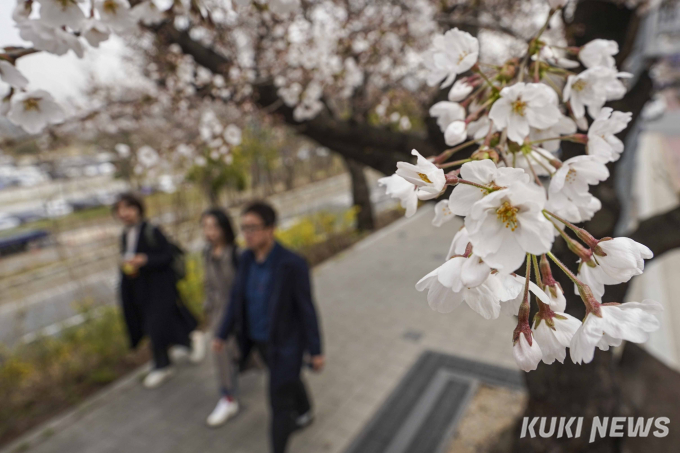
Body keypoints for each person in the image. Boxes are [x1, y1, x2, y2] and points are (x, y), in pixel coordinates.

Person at [213, 201, 324, 453]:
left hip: (286, 345)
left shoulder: (292, 264)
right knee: (288, 379)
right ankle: (306, 411)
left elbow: (307, 309)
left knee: (278, 402)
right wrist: (222, 333)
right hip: (259, 341)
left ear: (271, 229)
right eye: (244, 228)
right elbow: (236, 299)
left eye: (253, 227)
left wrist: (316, 350)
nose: (247, 234)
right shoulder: (245, 260)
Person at [114, 192, 204, 389]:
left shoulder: (151, 231)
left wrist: (144, 260)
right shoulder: (125, 235)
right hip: (141, 291)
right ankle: (191, 339)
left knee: (155, 326)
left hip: (160, 289)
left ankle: (162, 365)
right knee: (165, 321)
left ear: (138, 209)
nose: (124, 213)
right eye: (120, 209)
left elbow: (167, 256)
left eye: (128, 208)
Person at [201, 208, 241, 427]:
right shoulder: (206, 253)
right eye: (206, 227)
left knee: (245, 353)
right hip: (217, 314)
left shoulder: (236, 254)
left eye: (214, 226)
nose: (210, 232)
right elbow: (208, 284)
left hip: (236, 314)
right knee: (221, 353)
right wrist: (207, 308)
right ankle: (228, 397)